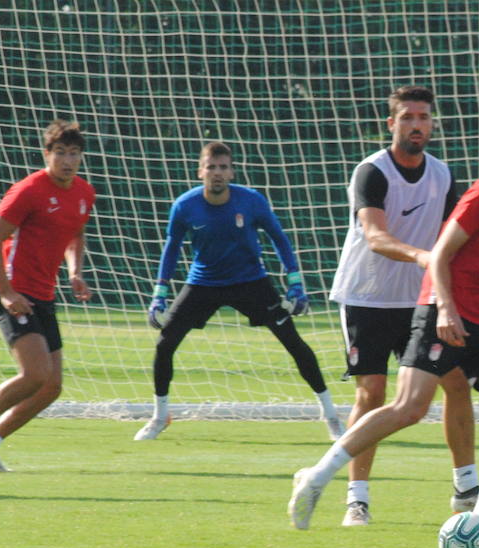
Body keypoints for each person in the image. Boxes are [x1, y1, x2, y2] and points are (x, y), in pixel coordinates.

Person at [287, 122, 479, 532]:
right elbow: (440, 254)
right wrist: (444, 310)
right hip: (439, 312)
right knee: (409, 408)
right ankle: (316, 476)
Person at [328, 86, 479, 527]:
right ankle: (357, 499)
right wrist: (421, 256)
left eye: (425, 117)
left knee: (455, 381)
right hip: (367, 297)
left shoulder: (442, 174)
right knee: (372, 394)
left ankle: (466, 490)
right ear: (391, 124)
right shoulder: (371, 172)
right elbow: (374, 236)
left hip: (420, 300)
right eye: (408, 117)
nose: (418, 124)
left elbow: (455, 241)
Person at [134, 141, 340, 442]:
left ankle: (331, 414)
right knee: (165, 344)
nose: (217, 173)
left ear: (232, 171)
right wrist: (159, 294)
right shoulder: (184, 206)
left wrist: (295, 282)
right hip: (203, 284)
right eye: (211, 167)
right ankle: (160, 416)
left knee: (292, 341)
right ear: (199, 171)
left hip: (250, 282)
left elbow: (279, 239)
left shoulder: (251, 201)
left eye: (223, 167)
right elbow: (172, 248)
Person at [0, 119, 95, 473]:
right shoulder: (28, 190)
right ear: (47, 155)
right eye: (59, 153)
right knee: (35, 374)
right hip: (13, 292)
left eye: (73, 153)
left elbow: (76, 234)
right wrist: (8, 291)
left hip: (44, 296)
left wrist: (74, 271)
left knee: (52, 386)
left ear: (80, 157)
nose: (67, 160)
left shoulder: (83, 193)